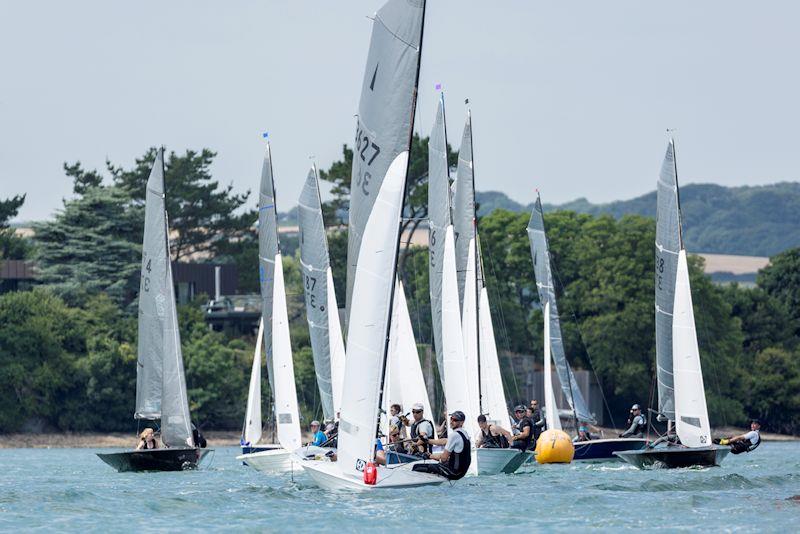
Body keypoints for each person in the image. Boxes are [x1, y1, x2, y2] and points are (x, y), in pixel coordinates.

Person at [412, 411, 472, 480]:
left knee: (416, 467)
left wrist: (429, 456)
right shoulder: (464, 433)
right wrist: (427, 440)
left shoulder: (454, 435)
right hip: (461, 472)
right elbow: (444, 441)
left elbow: (443, 459)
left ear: (461, 422)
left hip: (453, 473)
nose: (451, 421)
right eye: (451, 418)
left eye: (455, 420)